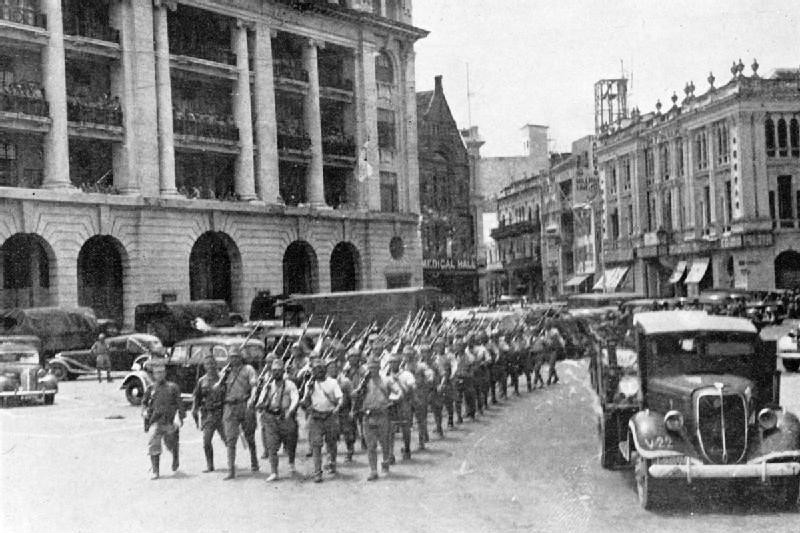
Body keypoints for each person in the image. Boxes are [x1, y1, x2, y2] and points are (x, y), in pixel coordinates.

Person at [353, 356, 401, 481]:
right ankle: (373, 470)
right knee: (371, 445)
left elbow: (398, 392)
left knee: (385, 443)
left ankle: (385, 464)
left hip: (383, 415)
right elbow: (355, 395)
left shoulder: (386, 381)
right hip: (368, 415)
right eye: (370, 368)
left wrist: (391, 400)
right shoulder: (364, 382)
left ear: (379, 367)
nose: (372, 370)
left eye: (374, 367)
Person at [253, 358, 299, 482]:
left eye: (279, 371)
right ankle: (274, 471)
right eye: (274, 371)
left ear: (283, 371)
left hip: (285, 417)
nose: (276, 373)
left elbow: (295, 398)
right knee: (271, 446)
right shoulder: (268, 386)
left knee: (290, 442)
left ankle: (291, 462)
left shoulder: (290, 384)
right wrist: (259, 404)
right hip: (271, 418)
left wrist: (291, 409)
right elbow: (261, 399)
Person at [219, 346, 259, 479]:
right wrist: (223, 375)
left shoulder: (248, 369)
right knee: (230, 439)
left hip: (244, 404)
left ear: (240, 357)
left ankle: (254, 461)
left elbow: (254, 386)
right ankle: (231, 470)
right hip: (230, 406)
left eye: (236, 356)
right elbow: (219, 388)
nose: (233, 359)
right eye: (231, 357)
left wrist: (252, 399)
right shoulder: (226, 372)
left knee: (249, 436)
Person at [142, 358, 184, 480]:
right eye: (157, 372)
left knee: (171, 443)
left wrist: (179, 418)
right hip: (155, 421)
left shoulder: (173, 387)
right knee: (153, 445)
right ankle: (156, 471)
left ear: (165, 373)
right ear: (153, 374)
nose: (159, 375)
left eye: (161, 372)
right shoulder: (151, 388)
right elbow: (144, 403)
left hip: (169, 421)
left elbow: (180, 404)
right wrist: (144, 412)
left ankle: (175, 456)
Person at [301, 358, 343, 483]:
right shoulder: (310, 383)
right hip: (316, 417)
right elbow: (305, 401)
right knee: (316, 445)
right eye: (315, 369)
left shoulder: (332, 382)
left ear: (325, 369)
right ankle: (317, 472)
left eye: (321, 368)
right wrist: (308, 391)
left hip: (330, 416)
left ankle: (332, 462)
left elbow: (340, 397)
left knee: (331, 443)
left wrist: (338, 407)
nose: (318, 371)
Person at [191, 353, 226, 473]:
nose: (210, 366)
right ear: (204, 366)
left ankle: (231, 463)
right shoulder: (202, 381)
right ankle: (210, 465)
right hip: (208, 414)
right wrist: (194, 409)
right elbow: (197, 397)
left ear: (215, 364)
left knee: (228, 440)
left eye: (212, 363)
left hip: (221, 413)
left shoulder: (222, 378)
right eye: (207, 364)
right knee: (206, 441)